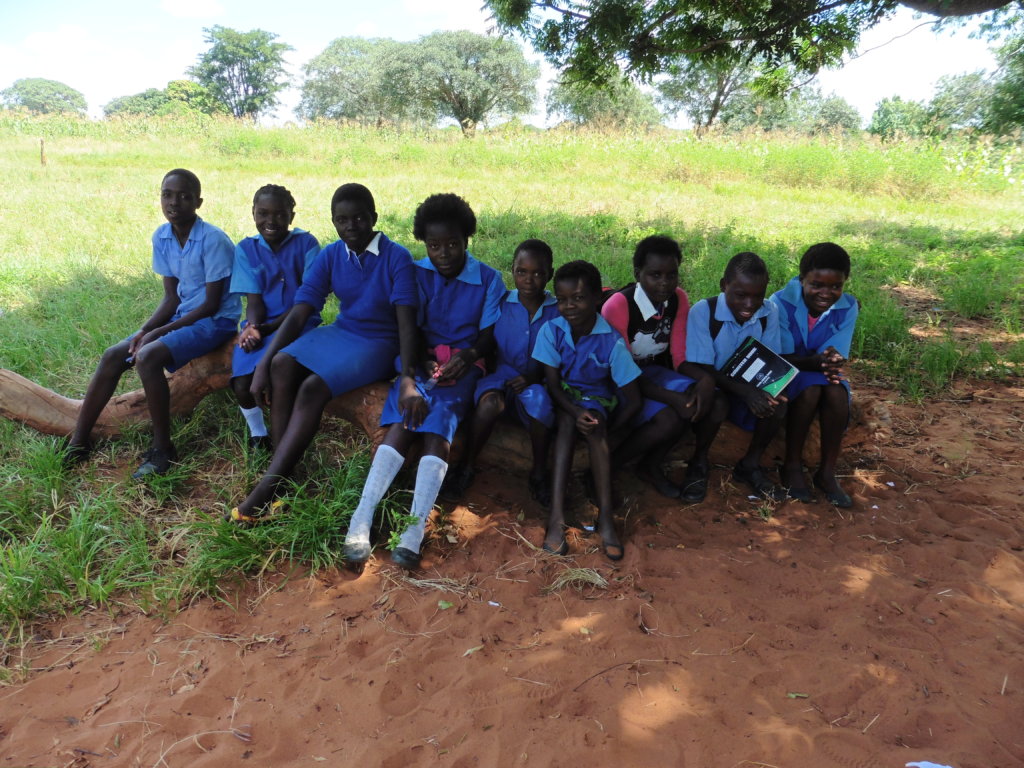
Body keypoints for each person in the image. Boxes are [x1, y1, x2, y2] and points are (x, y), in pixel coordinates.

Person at [228, 183, 418, 524]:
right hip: (343, 331)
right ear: (333, 222)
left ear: (373, 218)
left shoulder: (396, 257)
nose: (351, 227)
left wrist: (407, 377)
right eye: (341, 220)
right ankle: (282, 473)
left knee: (313, 388)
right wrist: (264, 364)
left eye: (359, 219)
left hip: (380, 341)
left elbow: (406, 324)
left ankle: (269, 486)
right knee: (283, 364)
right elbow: (302, 309)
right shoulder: (332, 254)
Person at [343, 193, 505, 570]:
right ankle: (361, 519)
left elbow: (487, 335)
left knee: (438, 430)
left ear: (467, 240)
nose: (444, 253)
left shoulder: (487, 279)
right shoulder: (413, 273)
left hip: (463, 369)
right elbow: (407, 328)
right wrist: (415, 370)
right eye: (434, 245)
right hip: (417, 363)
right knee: (402, 422)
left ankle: (414, 531)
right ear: (424, 244)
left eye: (453, 244)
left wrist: (466, 357)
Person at [65, 169, 240, 478]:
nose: (174, 203)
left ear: (198, 202)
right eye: (167, 195)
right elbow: (171, 298)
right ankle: (80, 439)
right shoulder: (162, 236)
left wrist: (159, 334)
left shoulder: (214, 240)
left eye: (184, 196)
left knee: (148, 357)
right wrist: (145, 330)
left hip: (215, 321)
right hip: (182, 314)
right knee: (114, 355)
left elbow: (211, 304)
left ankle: (163, 448)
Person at [532, 260, 642, 561]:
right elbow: (553, 385)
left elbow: (633, 398)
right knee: (568, 423)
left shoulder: (610, 341)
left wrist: (610, 430)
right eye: (563, 299)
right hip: (564, 399)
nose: (569, 306)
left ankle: (606, 519)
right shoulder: (551, 331)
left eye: (578, 298)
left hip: (597, 401)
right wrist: (573, 410)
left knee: (594, 427)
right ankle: (556, 517)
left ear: (597, 298)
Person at [442, 239, 560, 504]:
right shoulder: (502, 302)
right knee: (488, 404)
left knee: (541, 406)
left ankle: (539, 472)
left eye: (539, 273)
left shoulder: (556, 311)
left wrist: (533, 377)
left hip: (536, 380)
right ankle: (467, 465)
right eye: (522, 272)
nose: (529, 280)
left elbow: (557, 352)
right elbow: (486, 339)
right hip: (500, 375)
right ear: (512, 271)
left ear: (550, 275)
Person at [601, 235, 715, 499]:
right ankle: (610, 465)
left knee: (707, 400)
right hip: (621, 380)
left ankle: (650, 465)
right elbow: (622, 372)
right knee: (669, 418)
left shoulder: (678, 299)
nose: (664, 283)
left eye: (671, 275)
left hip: (654, 371)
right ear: (638, 273)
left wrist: (705, 380)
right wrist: (671, 398)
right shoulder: (618, 305)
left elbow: (678, 356)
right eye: (655, 275)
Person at [685, 251, 787, 501]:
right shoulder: (704, 312)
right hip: (717, 385)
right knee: (717, 405)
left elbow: (769, 357)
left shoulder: (769, 311)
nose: (750, 305)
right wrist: (747, 393)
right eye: (740, 295)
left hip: (747, 386)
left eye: (757, 296)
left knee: (780, 404)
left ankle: (750, 465)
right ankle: (698, 462)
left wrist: (768, 390)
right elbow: (705, 369)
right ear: (724, 286)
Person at [229, 184, 320, 450]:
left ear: (292, 216)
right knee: (243, 382)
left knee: (281, 373)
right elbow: (254, 301)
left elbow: (306, 302)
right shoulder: (245, 249)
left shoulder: (307, 245)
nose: (271, 221)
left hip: (301, 325)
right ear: (253, 213)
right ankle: (259, 433)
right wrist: (253, 327)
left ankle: (288, 431)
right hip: (264, 325)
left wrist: (267, 328)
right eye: (263, 213)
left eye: (280, 214)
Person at [771, 242, 858, 508]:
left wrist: (829, 362)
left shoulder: (848, 307)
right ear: (802, 280)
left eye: (835, 286)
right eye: (816, 284)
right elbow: (782, 356)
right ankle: (792, 465)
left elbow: (835, 353)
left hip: (818, 369)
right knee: (809, 391)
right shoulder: (780, 303)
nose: (826, 293)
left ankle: (827, 472)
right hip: (788, 368)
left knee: (835, 392)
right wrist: (819, 362)